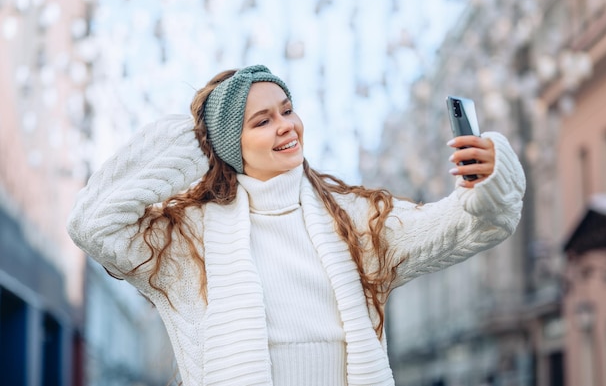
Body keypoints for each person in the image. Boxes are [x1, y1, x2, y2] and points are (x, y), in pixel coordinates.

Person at [67, 65, 525, 386]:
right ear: (229, 145)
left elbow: (476, 224)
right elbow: (92, 223)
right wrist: (195, 140)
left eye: (287, 110)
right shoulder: (191, 238)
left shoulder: (356, 221)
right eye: (262, 121)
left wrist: (488, 175)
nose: (286, 126)